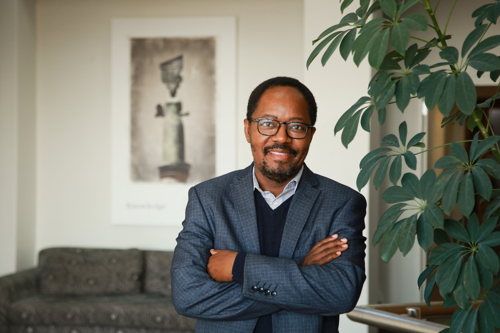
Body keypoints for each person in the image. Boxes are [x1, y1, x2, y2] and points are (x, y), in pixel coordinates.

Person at [171, 76, 366, 333]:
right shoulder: (207, 197)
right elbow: (188, 296)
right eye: (267, 123)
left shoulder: (341, 202)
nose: (281, 137)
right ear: (248, 129)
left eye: (296, 126)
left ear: (310, 135)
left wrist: (240, 266)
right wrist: (300, 271)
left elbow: (341, 293)